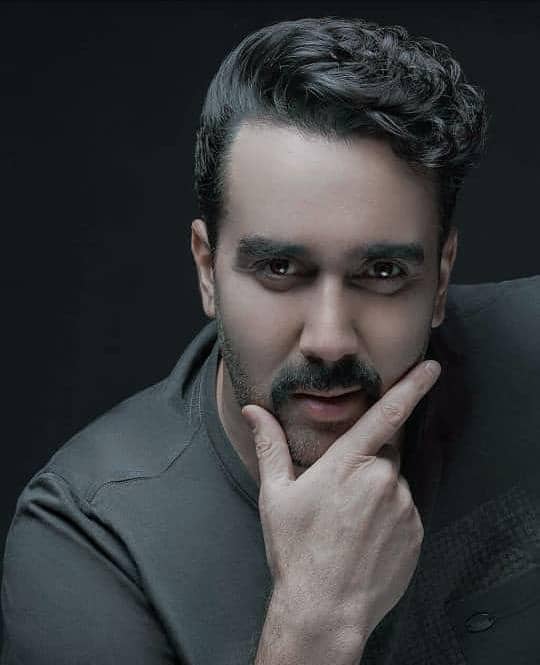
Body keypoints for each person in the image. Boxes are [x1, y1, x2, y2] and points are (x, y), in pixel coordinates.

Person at [2, 15, 540, 665]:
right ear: (208, 270)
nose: (330, 340)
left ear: (442, 275)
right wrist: (313, 622)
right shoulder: (91, 537)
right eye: (280, 268)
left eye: (382, 272)